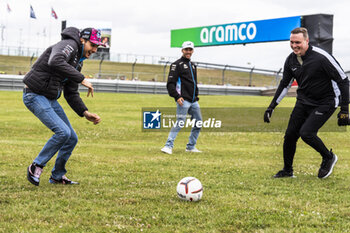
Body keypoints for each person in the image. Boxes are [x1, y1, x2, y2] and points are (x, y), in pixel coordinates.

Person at [264, 27, 349, 179]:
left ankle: (328, 157)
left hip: (326, 101)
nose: (294, 45)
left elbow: (343, 81)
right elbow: (285, 84)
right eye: (291, 42)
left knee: (306, 133)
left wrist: (345, 110)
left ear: (307, 41)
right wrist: (271, 107)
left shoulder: (322, 57)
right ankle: (287, 171)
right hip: (303, 101)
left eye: (298, 42)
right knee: (290, 135)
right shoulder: (291, 60)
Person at [23, 27, 104, 186]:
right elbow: (55, 60)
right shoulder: (69, 44)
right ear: (82, 40)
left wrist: (84, 112)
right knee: (63, 132)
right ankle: (36, 166)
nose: (95, 50)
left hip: (50, 99)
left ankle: (57, 176)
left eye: (97, 47)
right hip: (34, 95)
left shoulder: (78, 62)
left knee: (71, 138)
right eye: (92, 45)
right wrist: (82, 79)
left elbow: (71, 93)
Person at [161, 41, 202, 155]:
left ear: (192, 51)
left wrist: (196, 95)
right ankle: (168, 146)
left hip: (194, 101)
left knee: (198, 123)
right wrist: (177, 96)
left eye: (190, 49)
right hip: (183, 100)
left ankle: (190, 147)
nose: (188, 52)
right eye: (186, 49)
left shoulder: (193, 65)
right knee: (180, 122)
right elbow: (170, 84)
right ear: (182, 50)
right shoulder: (176, 65)